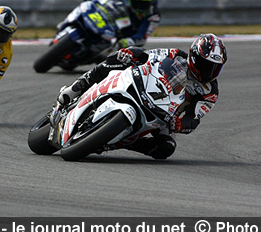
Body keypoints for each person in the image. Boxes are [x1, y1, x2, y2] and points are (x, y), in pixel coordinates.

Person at [57, 33, 227, 159]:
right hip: (145, 86)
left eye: (216, 67)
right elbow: (148, 55)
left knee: (166, 149)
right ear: (195, 57)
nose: (210, 71)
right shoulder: (176, 55)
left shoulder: (210, 92)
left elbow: (194, 119)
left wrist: (180, 124)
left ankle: (122, 141)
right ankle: (77, 88)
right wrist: (131, 54)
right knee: (118, 59)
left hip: (166, 114)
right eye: (207, 65)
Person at [77, 0, 161, 48]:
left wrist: (131, 41)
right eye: (138, 2)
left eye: (145, 3)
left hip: (129, 31)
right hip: (114, 16)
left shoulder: (154, 15)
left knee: (127, 50)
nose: (141, 6)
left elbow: (143, 35)